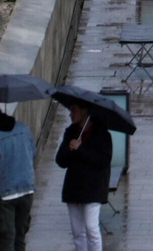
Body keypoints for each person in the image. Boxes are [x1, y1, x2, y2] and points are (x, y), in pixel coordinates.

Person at [55, 100, 111, 251]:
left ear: (84, 111)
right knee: (77, 231)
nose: (70, 114)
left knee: (91, 227)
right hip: (74, 188)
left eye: (74, 110)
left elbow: (103, 161)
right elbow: (60, 160)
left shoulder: (102, 134)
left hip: (93, 188)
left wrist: (81, 149)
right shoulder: (71, 132)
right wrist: (70, 149)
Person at [0, 102, 36, 251]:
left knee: (6, 240)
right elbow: (33, 153)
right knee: (20, 238)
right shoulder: (23, 129)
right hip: (27, 190)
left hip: (5, 195)